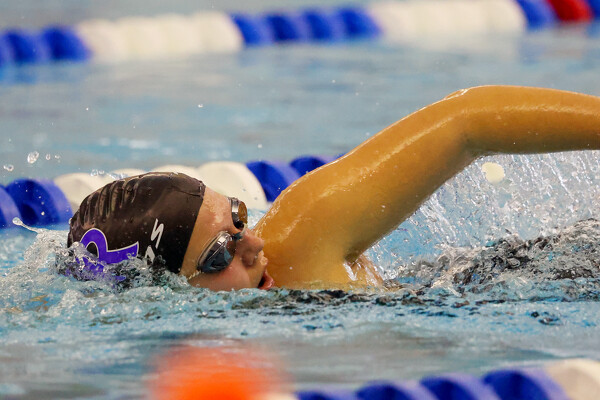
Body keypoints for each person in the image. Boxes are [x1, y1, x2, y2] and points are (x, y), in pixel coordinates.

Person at [67, 85, 600, 290]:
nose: (255, 245)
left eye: (238, 219)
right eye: (219, 255)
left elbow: (467, 123)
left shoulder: (304, 236)